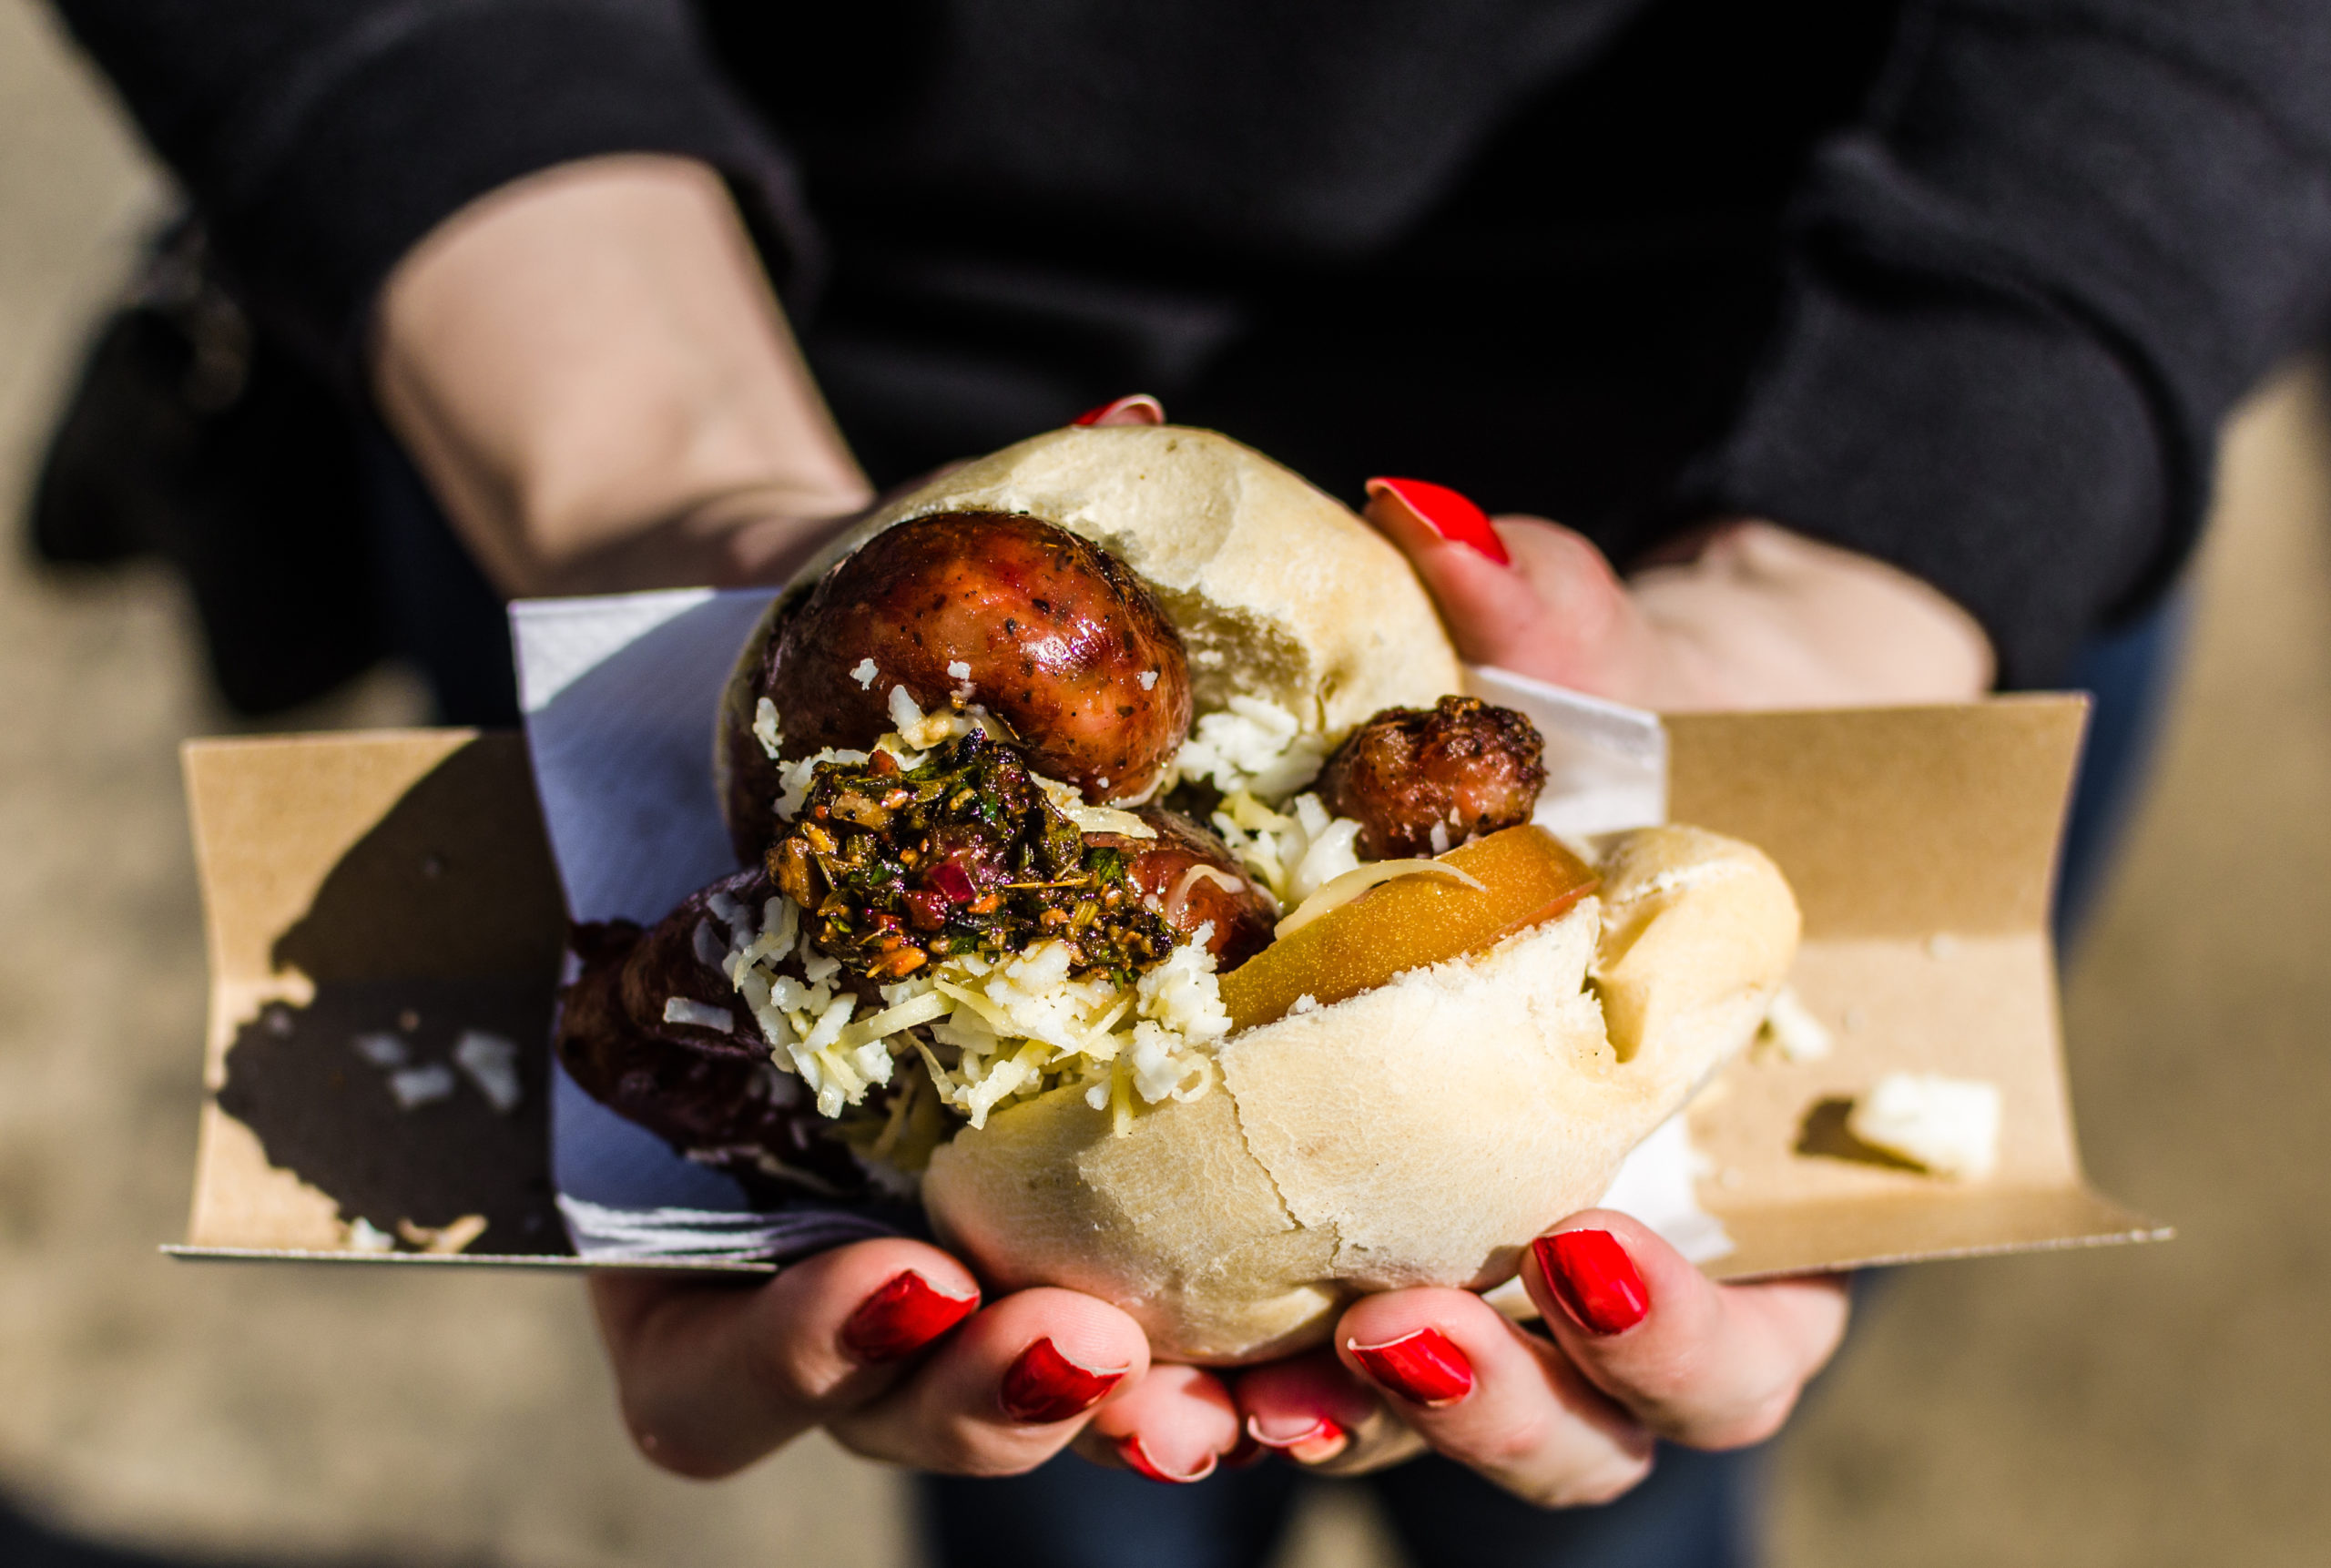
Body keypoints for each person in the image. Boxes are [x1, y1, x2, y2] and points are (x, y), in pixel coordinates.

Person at [44, 3, 2331, 1563]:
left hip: (1880, 464)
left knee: (1624, 1453)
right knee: (1055, 1463)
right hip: (686, 435)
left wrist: (1881, 548)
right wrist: (651, 473)